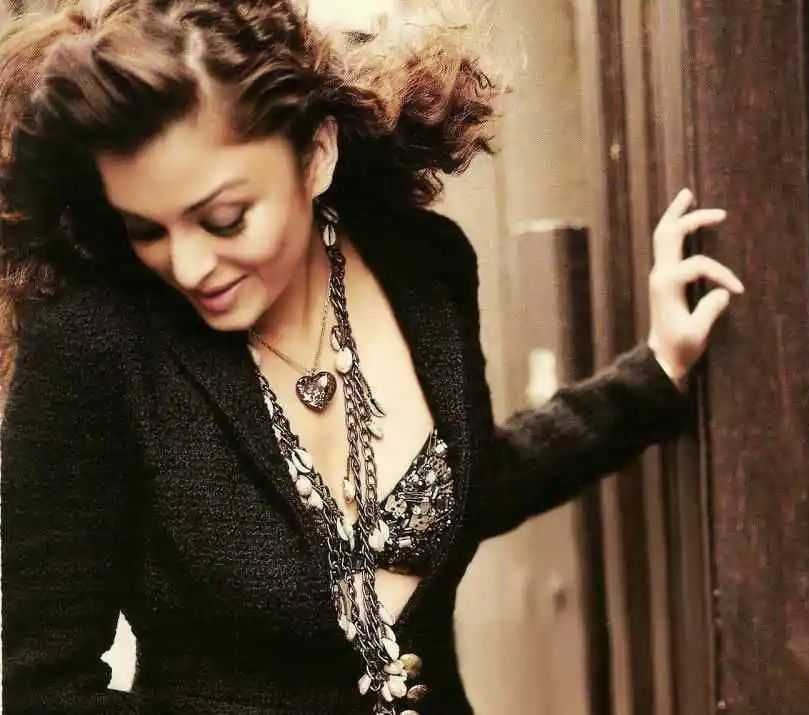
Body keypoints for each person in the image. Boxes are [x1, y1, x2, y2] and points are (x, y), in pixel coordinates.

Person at [0, 1, 744, 713]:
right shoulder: (93, 344)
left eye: (224, 218)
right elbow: (44, 688)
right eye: (147, 230)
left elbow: (473, 482)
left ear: (316, 154)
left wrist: (656, 370)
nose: (190, 265)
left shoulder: (424, 266)